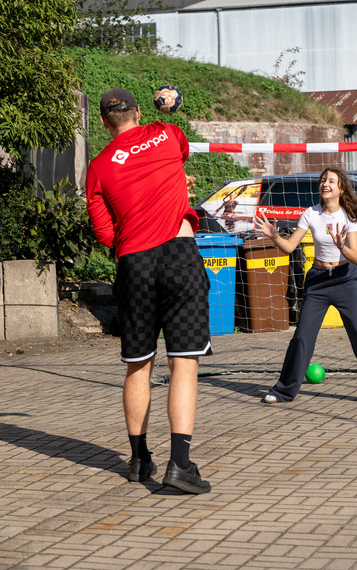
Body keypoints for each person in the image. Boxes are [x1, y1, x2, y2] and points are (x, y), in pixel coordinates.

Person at [85, 88, 211, 494]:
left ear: (105, 123)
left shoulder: (99, 166)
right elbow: (180, 152)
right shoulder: (169, 134)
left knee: (138, 364)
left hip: (134, 264)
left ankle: (139, 460)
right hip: (179, 255)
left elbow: (105, 233)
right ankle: (180, 464)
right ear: (138, 112)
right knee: (183, 363)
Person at [253, 167, 357, 405]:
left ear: (341, 189)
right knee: (301, 338)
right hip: (318, 280)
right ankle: (283, 391)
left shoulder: (350, 214)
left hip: (345, 279)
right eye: (323, 180)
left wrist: (341, 246)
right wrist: (273, 235)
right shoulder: (311, 213)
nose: (325, 184)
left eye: (331, 181)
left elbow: (355, 257)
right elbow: (289, 247)